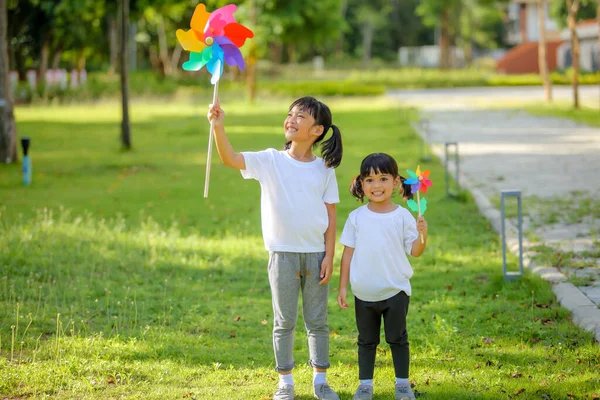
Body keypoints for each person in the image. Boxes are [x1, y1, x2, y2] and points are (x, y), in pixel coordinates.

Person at [207, 96, 343, 400]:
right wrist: (218, 126)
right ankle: (286, 383)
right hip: (281, 253)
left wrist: (329, 256)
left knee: (317, 320)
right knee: (285, 321)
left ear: (318, 130)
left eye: (301, 117)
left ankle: (320, 380)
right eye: (290, 114)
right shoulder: (270, 160)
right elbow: (230, 158)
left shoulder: (324, 168)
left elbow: (331, 216)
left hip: (315, 254)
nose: (291, 120)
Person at [337, 153, 428, 400]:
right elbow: (347, 255)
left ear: (396, 182)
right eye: (369, 180)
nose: (376, 185)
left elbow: (415, 251)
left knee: (397, 338)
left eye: (383, 178)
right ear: (362, 184)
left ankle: (402, 385)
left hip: (395, 290)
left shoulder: (402, 216)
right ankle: (365, 385)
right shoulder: (356, 217)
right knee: (366, 341)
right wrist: (343, 287)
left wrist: (423, 235)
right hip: (364, 292)